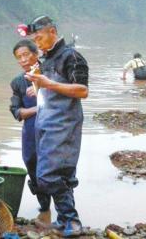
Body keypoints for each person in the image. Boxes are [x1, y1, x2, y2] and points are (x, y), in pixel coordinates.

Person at [23, 16, 89, 237]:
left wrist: (47, 83)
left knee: (47, 176)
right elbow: (49, 88)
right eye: (34, 39)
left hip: (64, 124)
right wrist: (38, 86)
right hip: (45, 121)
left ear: (52, 31)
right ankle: (65, 221)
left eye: (39, 37)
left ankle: (72, 220)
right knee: (61, 174)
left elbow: (82, 91)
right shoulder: (48, 59)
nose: (37, 43)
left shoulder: (71, 56)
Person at [10, 39, 51, 224]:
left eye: (26, 54)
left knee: (53, 167)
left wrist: (41, 92)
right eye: (19, 57)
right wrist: (37, 109)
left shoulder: (50, 73)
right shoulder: (18, 82)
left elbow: (63, 99)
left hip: (52, 128)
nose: (23, 60)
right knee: (31, 164)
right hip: (30, 130)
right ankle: (45, 209)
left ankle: (65, 213)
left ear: (37, 54)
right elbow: (17, 111)